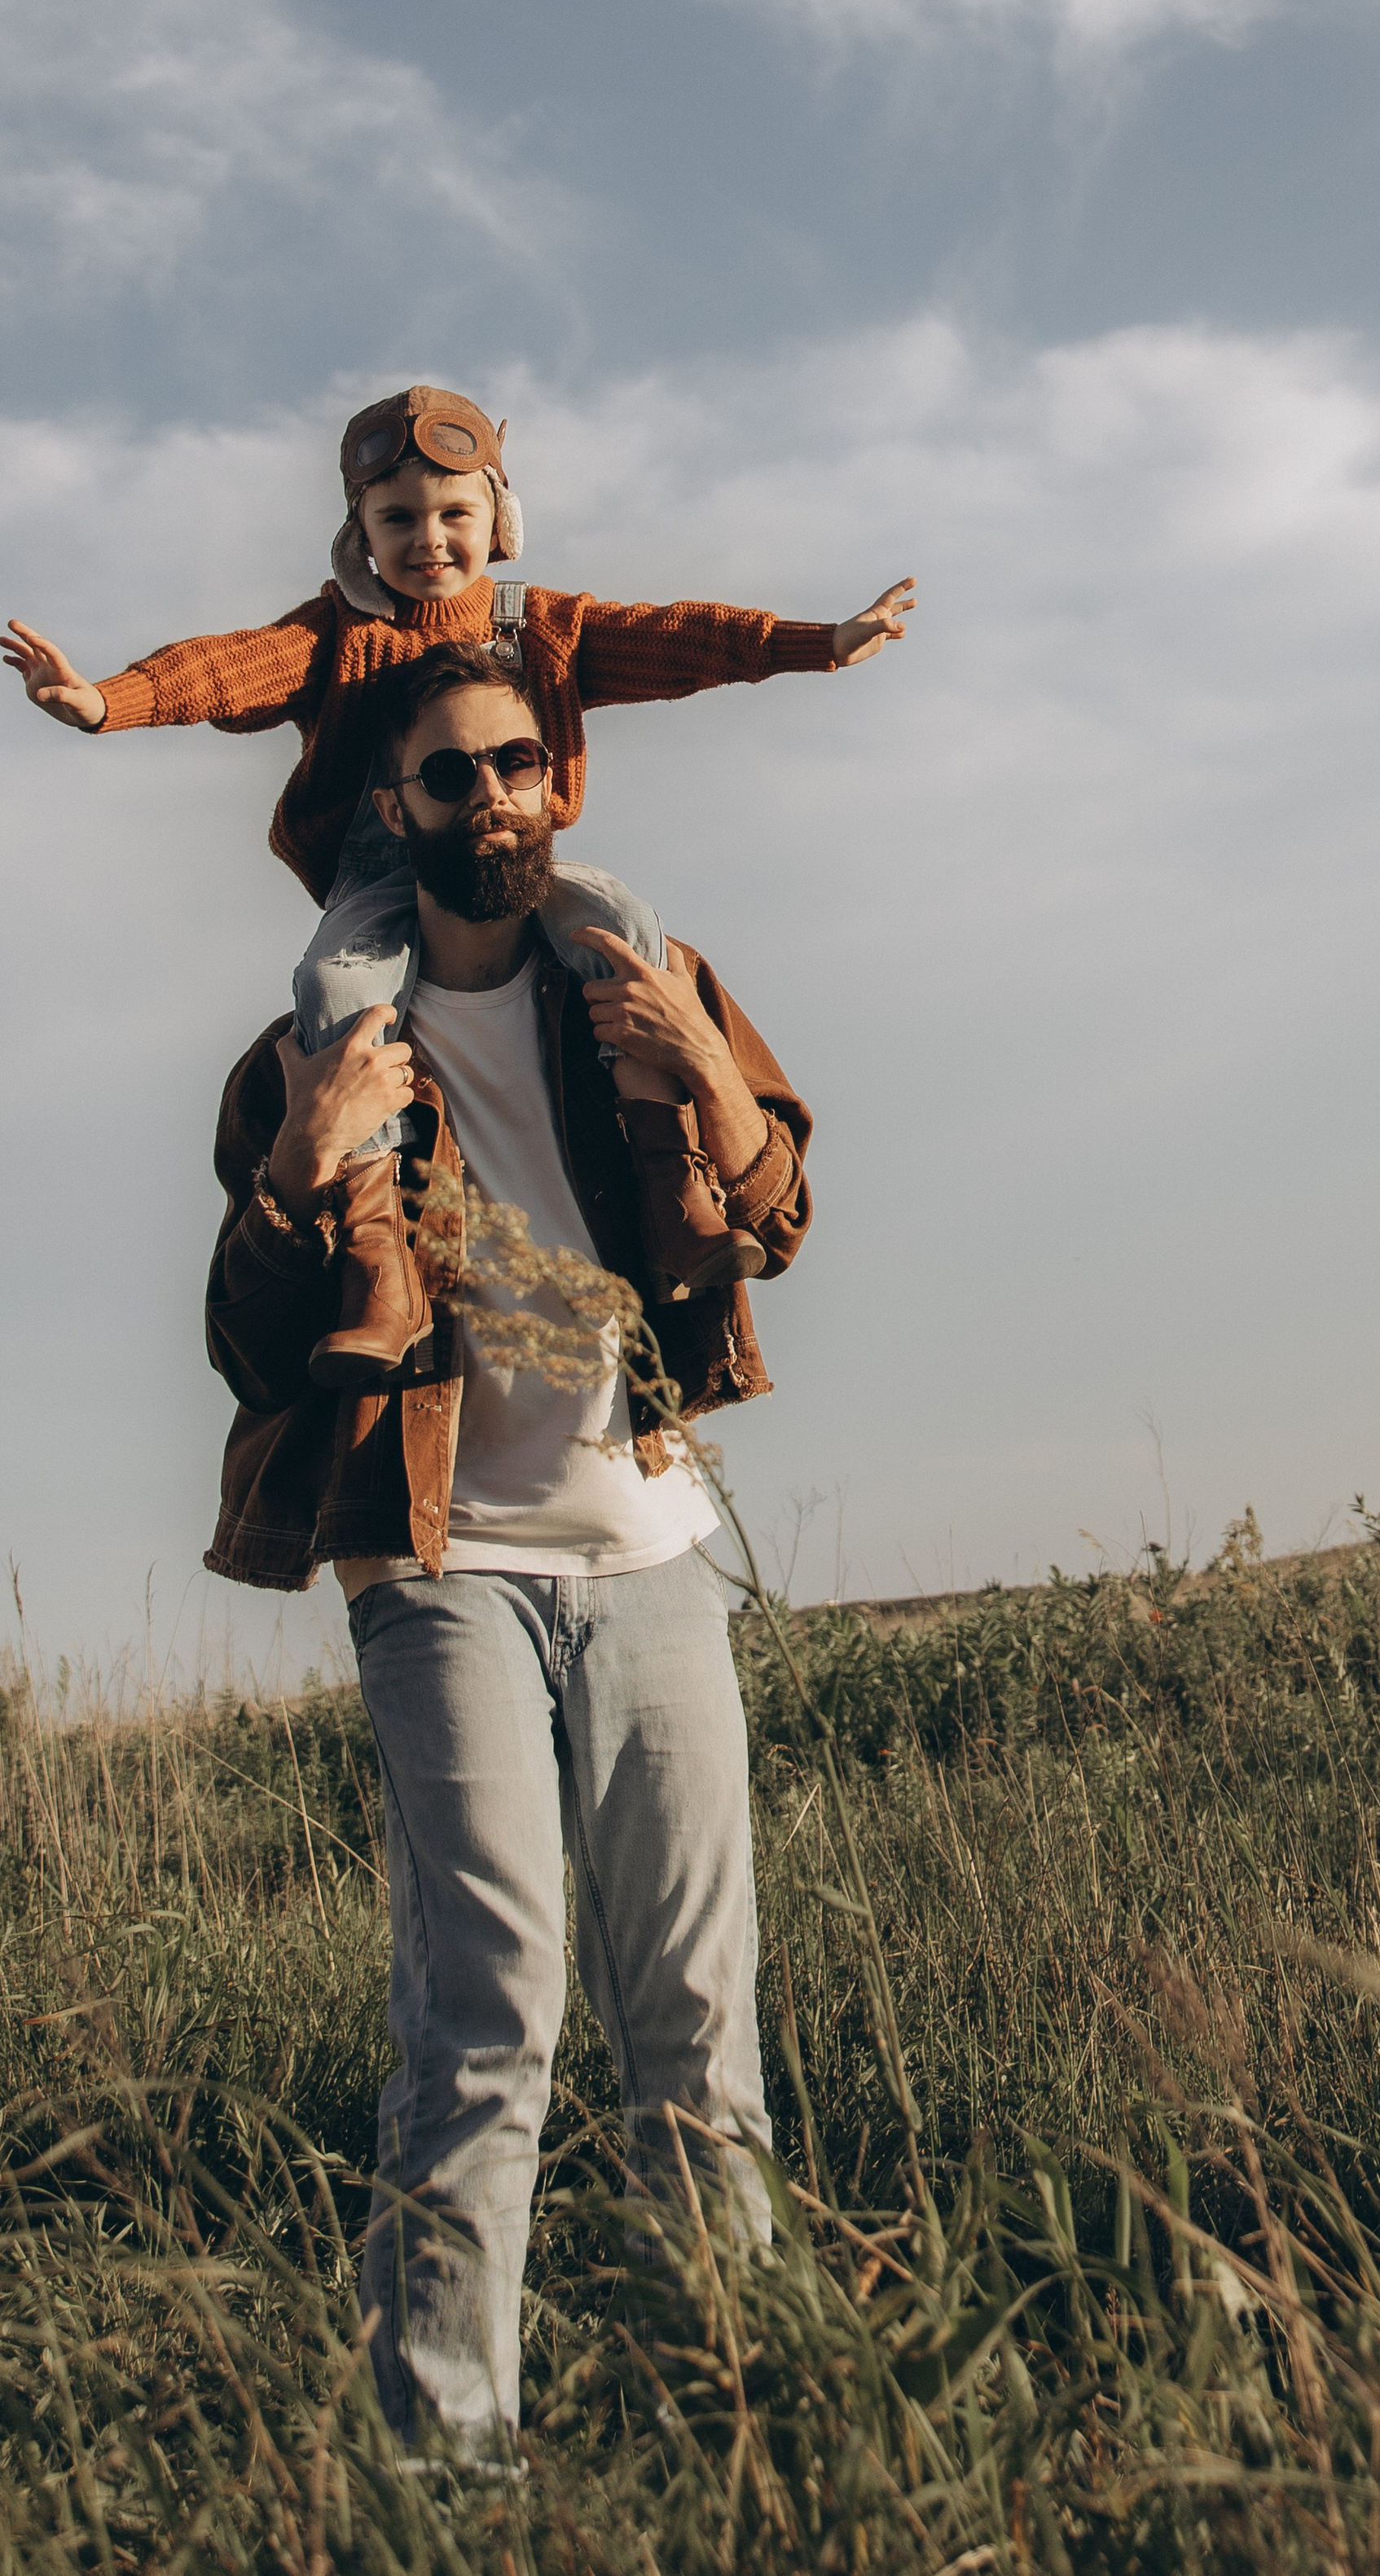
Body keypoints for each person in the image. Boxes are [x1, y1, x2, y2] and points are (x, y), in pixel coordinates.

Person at [203, 638, 811, 2455]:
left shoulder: (641, 977)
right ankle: (442, 2476)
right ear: (390, 808)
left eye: (516, 768)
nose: (493, 803)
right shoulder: (319, 1050)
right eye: (451, 778)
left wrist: (709, 1073)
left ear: (557, 782)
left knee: (700, 2028)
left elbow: (776, 1220)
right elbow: (243, 1342)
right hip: (441, 1557)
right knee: (489, 2024)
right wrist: (305, 1170)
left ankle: (747, 2435)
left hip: (649, 1549)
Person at [0, 382, 907, 1374]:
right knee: (334, 986)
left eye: (453, 514)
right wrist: (105, 702)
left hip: (527, 866)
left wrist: (816, 645)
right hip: (386, 889)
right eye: (398, 519)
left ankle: (671, 1183)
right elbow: (222, 671)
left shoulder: (545, 628)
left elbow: (682, 638)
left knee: (624, 925)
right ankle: (379, 1258)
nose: (428, 539)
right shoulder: (337, 638)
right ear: (360, 534)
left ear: (497, 519)